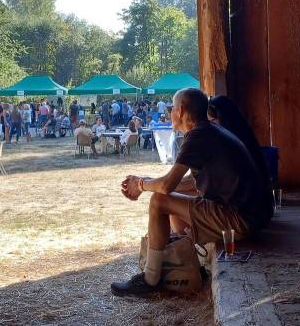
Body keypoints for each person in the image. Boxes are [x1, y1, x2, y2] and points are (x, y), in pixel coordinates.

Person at [111, 88, 273, 297]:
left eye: (171, 108)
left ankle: (150, 280)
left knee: (159, 202)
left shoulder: (198, 136)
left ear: (181, 110)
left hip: (239, 221)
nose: (169, 112)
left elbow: (167, 186)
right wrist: (148, 182)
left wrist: (141, 185)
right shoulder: (210, 131)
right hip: (252, 215)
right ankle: (187, 266)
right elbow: (183, 183)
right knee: (172, 202)